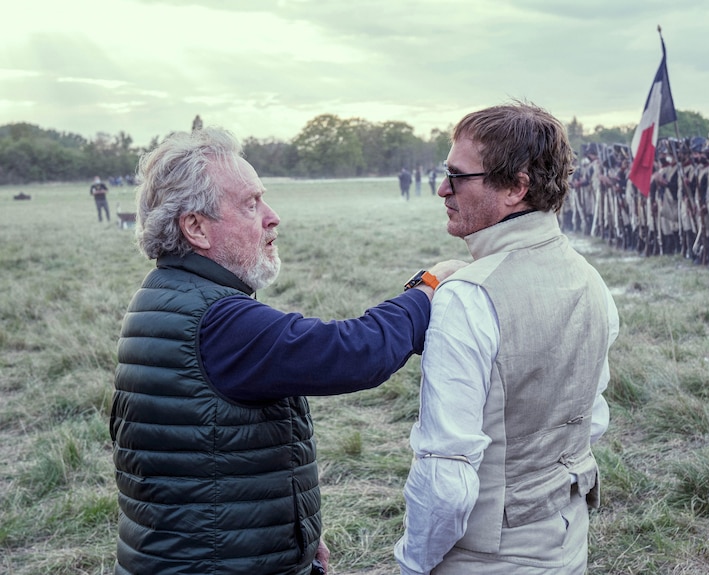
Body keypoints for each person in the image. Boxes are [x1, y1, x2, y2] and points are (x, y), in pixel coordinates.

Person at [110, 126, 464, 575]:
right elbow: (353, 353)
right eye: (250, 204)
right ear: (195, 227)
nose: (272, 216)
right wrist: (428, 289)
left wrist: (290, 545)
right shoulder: (217, 322)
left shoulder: (168, 295)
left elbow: (211, 464)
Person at [394, 102, 619, 575]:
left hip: (486, 559)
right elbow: (590, 420)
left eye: (458, 176)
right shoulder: (590, 279)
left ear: (516, 187)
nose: (442, 189)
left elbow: (444, 474)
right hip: (566, 543)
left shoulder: (467, 298)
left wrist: (414, 563)